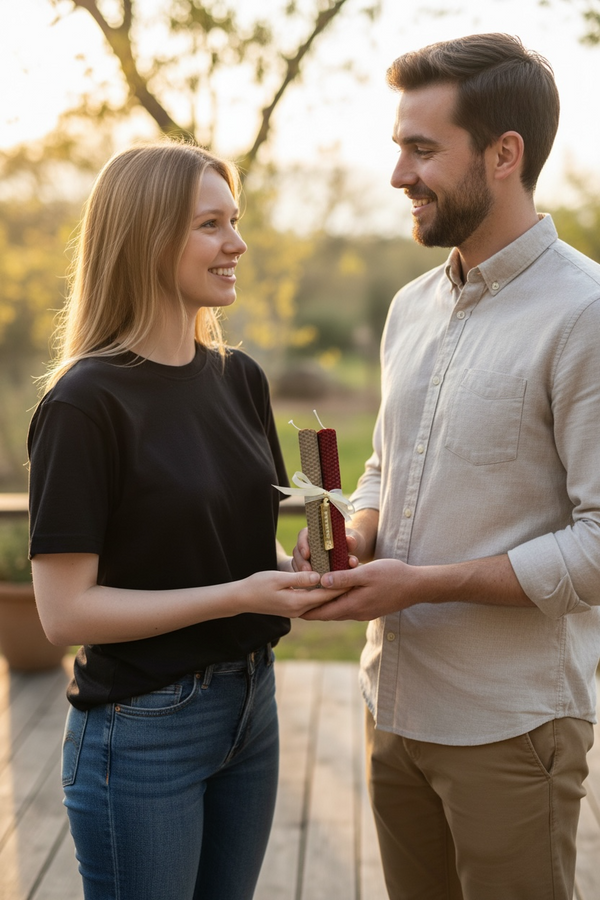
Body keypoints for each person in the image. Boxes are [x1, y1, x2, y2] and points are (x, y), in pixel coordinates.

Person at [293, 33, 600, 900]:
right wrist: (350, 537)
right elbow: (385, 469)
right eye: (399, 147)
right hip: (391, 708)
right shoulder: (409, 308)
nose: (398, 176)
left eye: (422, 150)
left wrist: (421, 584)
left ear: (506, 155)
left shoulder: (586, 316)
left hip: (511, 727)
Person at [28, 139, 336, 900]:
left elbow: (228, 542)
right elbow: (65, 613)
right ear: (145, 236)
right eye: (210, 225)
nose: (236, 244)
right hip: (143, 730)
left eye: (234, 221)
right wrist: (240, 595)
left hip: (251, 708)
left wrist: (286, 569)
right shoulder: (83, 404)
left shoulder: (240, 379)